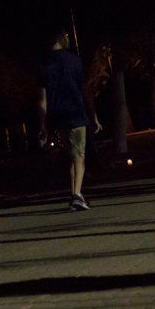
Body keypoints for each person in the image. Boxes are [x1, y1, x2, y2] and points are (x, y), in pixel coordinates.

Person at [38, 29, 100, 211]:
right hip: (76, 113)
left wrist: (43, 124)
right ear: (63, 40)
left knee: (70, 156)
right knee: (79, 155)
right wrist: (93, 115)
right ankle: (76, 195)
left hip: (58, 115)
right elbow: (85, 89)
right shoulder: (74, 61)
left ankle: (76, 193)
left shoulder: (45, 64)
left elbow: (42, 99)